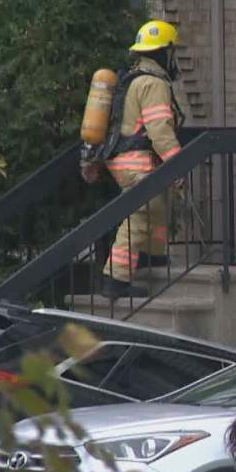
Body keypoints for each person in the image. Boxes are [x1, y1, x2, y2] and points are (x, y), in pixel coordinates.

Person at [99, 20, 185, 299]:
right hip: (136, 162)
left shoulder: (134, 78)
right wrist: (178, 164)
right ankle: (116, 279)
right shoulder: (153, 83)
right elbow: (159, 130)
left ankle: (152, 255)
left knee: (156, 207)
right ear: (162, 52)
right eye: (171, 52)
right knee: (139, 215)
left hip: (124, 159)